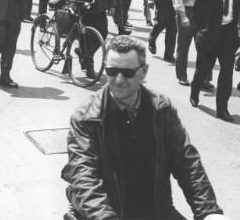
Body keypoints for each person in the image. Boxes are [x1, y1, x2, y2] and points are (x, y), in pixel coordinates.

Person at [61, 35, 227, 220]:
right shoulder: (86, 118)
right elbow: (84, 176)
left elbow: (186, 161)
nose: (118, 79)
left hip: (155, 210)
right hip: (103, 214)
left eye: (127, 72)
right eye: (112, 71)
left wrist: (208, 211)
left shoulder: (161, 108)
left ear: (144, 71)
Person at [190, 0, 240, 122]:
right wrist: (200, 36)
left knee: (226, 74)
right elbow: (196, 16)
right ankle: (194, 92)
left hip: (228, 37)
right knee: (202, 69)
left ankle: (222, 109)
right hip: (209, 36)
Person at [172, 0, 209, 85]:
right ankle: (182, 75)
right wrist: (182, 16)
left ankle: (203, 78)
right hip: (187, 11)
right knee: (183, 46)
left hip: (202, 13)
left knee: (205, 46)